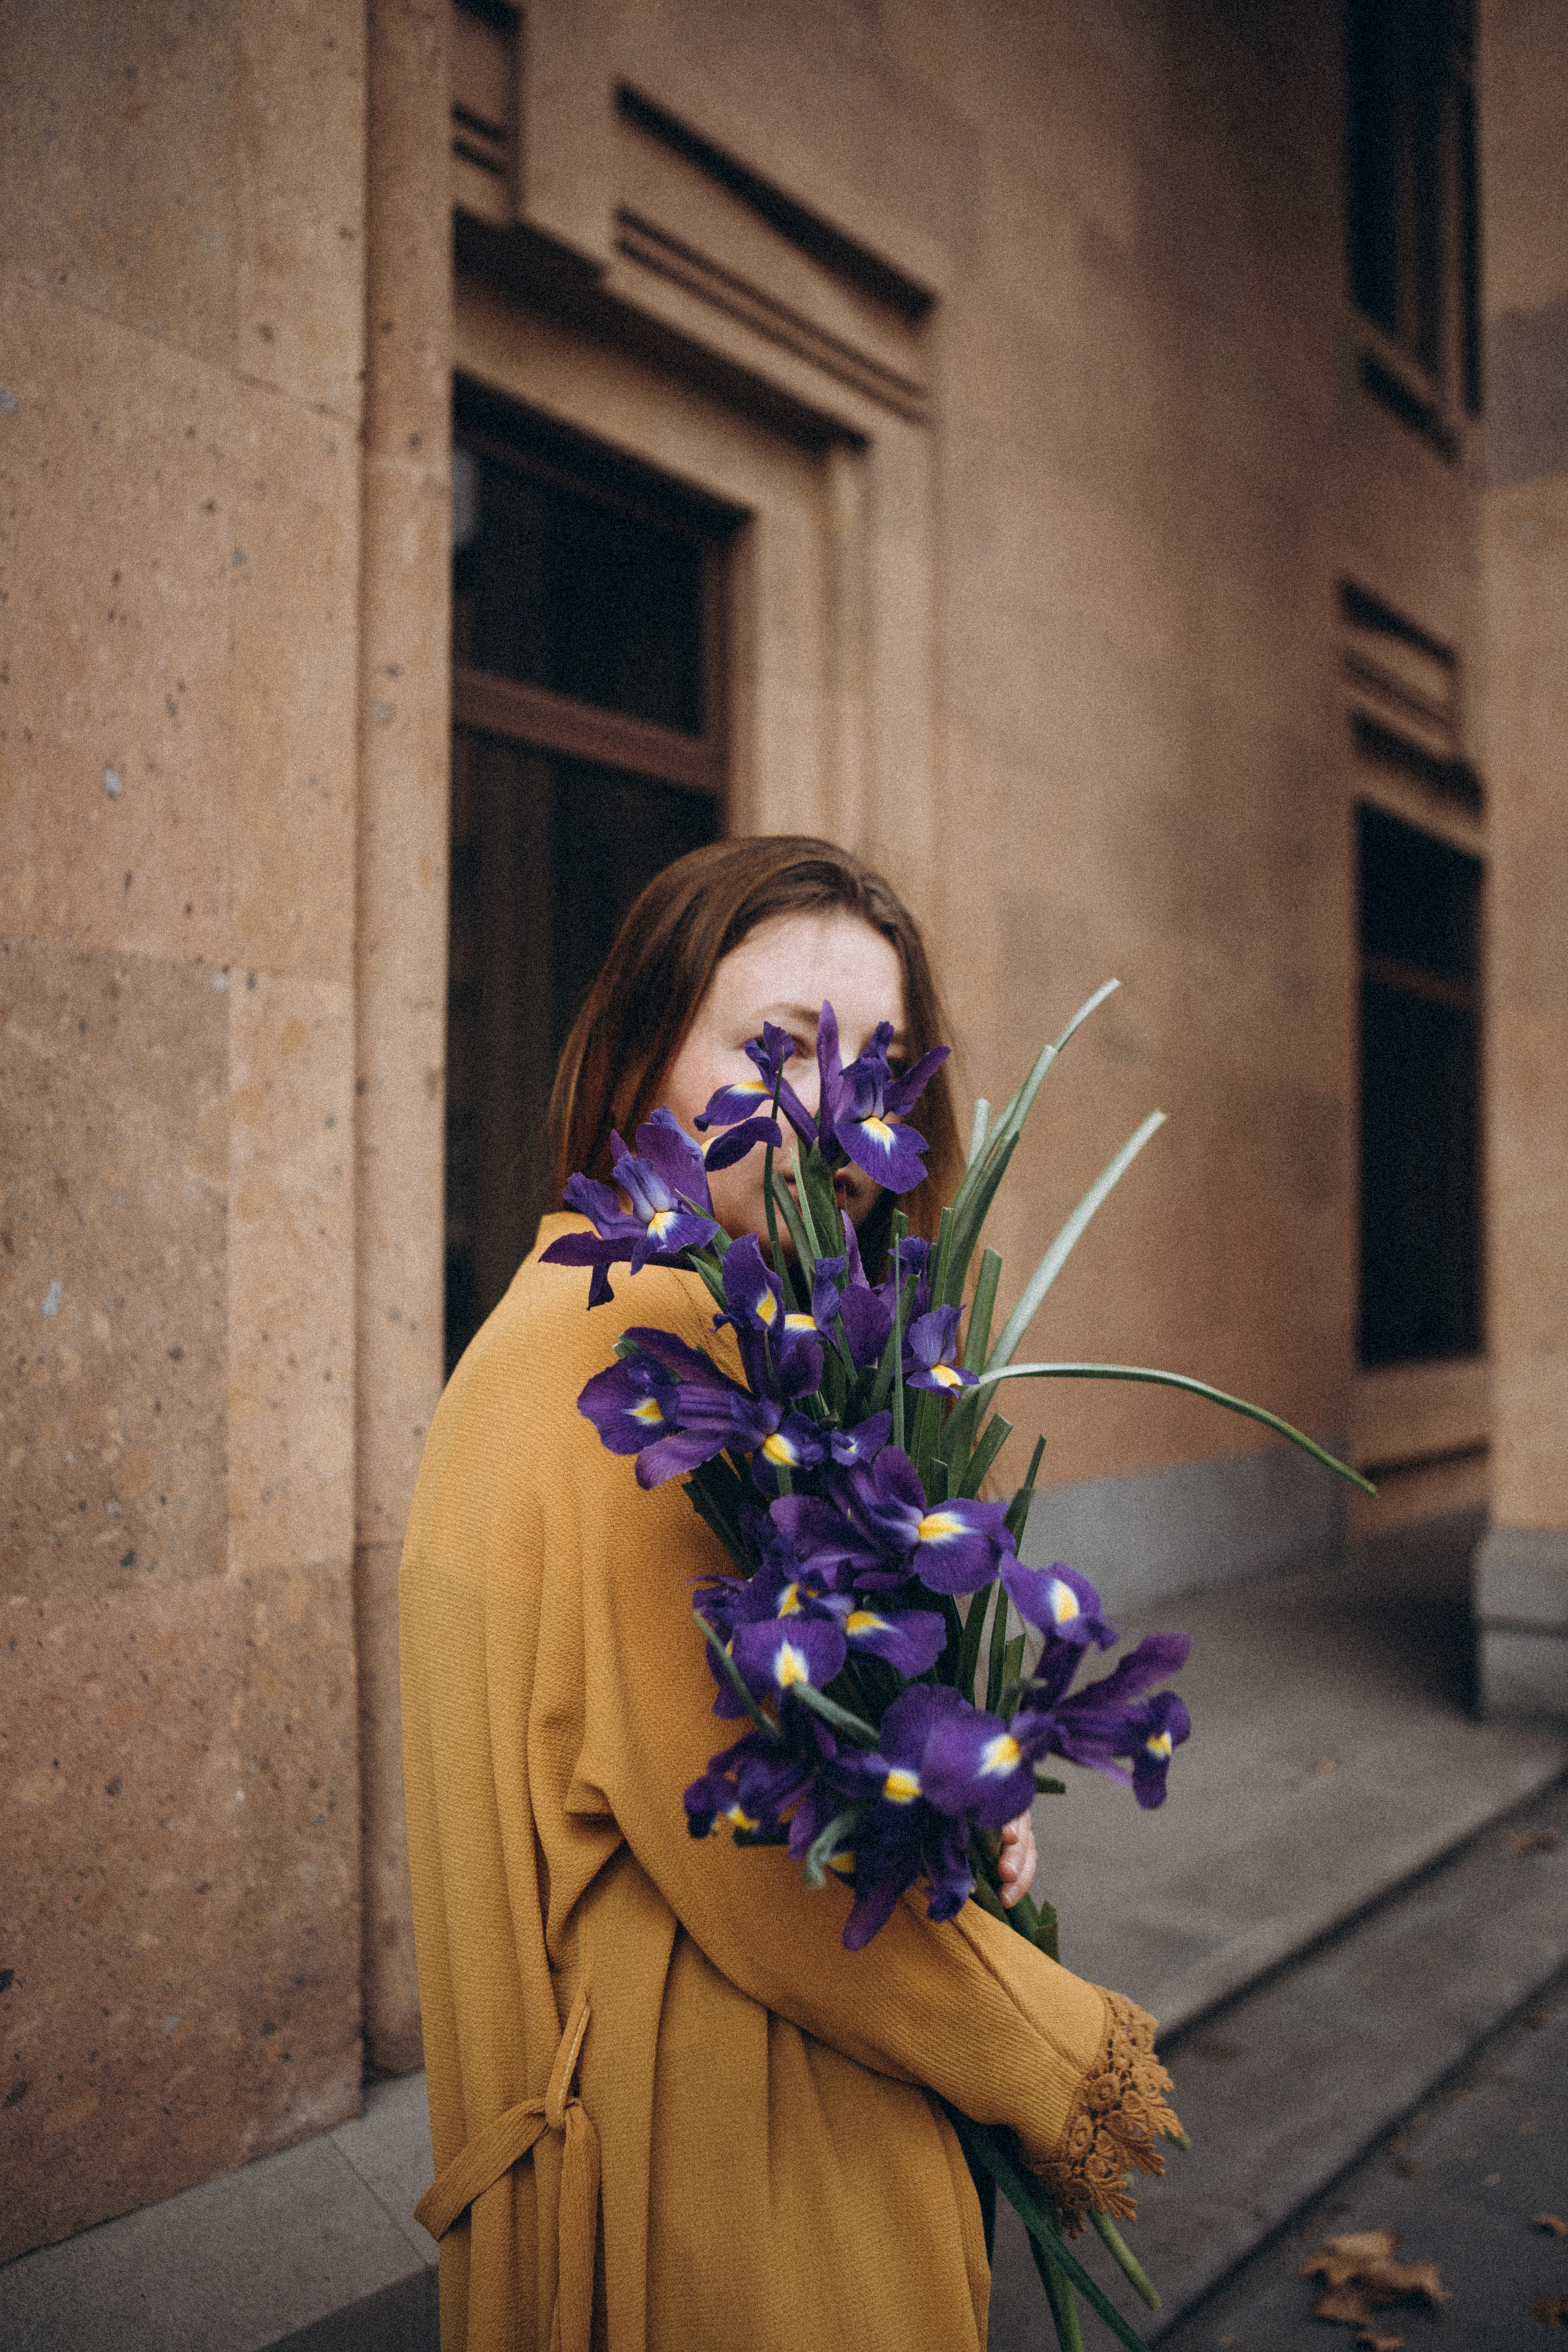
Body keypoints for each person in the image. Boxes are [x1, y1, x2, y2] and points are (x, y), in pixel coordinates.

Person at [399, 836, 1179, 2352]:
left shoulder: (625, 1319)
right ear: (637, 1059)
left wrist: (936, 1788)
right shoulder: (636, 1351)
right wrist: (1059, 2058)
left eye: (878, 1057)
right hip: (723, 2161)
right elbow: (748, 1858)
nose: (836, 1107)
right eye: (778, 1047)